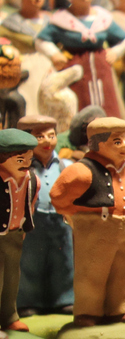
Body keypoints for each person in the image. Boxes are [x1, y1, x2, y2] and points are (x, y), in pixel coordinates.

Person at [50, 116, 125, 328]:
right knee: (92, 272)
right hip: (96, 229)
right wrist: (76, 216)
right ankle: (88, 311)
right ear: (98, 143)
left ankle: (123, 308)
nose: (124, 147)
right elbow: (57, 196)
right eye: (117, 142)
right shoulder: (82, 171)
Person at [37, 0, 125, 117]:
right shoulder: (62, 19)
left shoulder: (102, 17)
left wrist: (115, 52)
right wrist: (54, 54)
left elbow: (124, 39)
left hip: (101, 69)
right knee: (79, 103)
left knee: (107, 102)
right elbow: (41, 39)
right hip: (75, 69)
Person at [17, 116, 74, 317]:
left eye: (51, 135)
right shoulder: (21, 167)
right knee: (30, 262)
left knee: (64, 261)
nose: (47, 141)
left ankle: (64, 299)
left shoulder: (66, 165)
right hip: (33, 221)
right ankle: (29, 301)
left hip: (61, 221)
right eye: (39, 136)